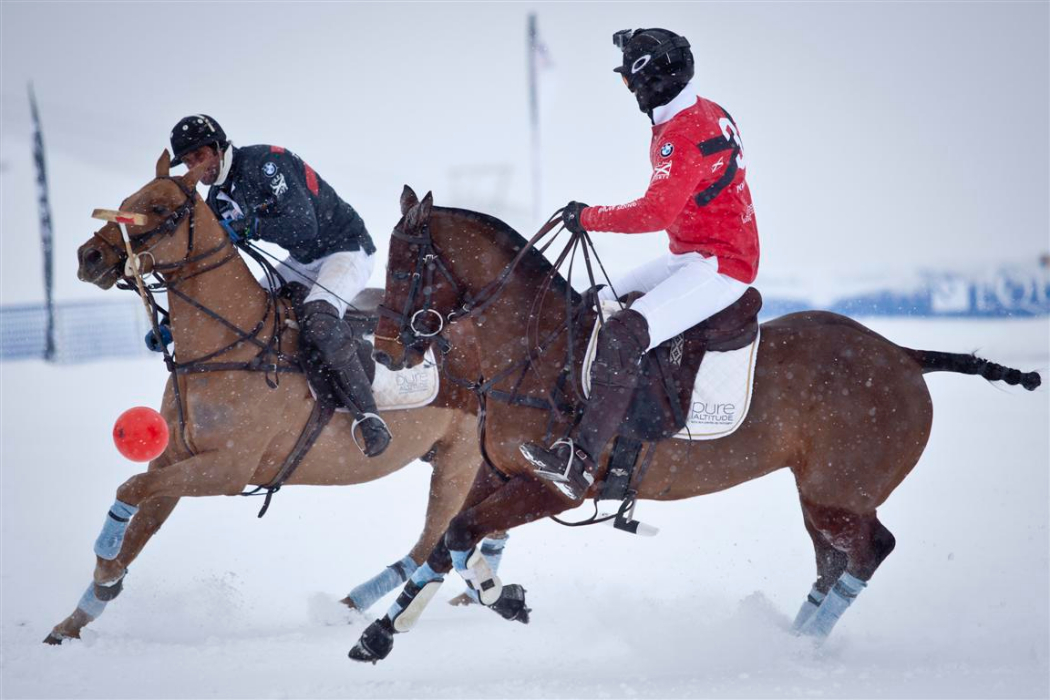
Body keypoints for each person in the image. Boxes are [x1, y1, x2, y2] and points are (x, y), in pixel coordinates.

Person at [520, 28, 760, 500]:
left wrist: (587, 217)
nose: (628, 90)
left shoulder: (683, 135)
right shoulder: (704, 111)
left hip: (721, 265)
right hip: (692, 253)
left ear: (649, 81)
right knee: (591, 304)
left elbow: (655, 213)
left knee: (623, 332)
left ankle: (581, 462)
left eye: (627, 81)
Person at [167, 114, 391, 457]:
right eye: (186, 162)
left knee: (319, 318)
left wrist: (249, 225)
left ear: (217, 148)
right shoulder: (217, 199)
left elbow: (304, 226)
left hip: (345, 249)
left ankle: (369, 415)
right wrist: (175, 323)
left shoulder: (266, 163)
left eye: (198, 157)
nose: (194, 168)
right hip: (303, 260)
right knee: (244, 305)